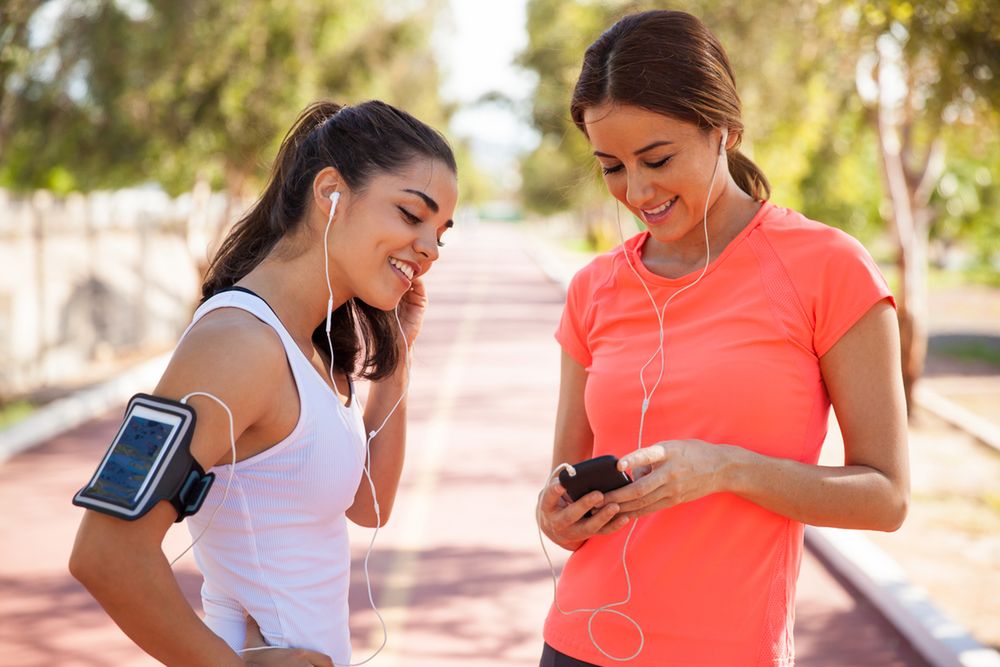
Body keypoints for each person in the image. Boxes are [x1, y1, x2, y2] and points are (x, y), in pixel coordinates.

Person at [535, 10, 908, 667]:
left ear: (725, 130)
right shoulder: (593, 288)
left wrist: (727, 469)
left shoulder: (828, 268)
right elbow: (566, 482)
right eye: (612, 166)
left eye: (657, 158)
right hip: (577, 646)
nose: (638, 190)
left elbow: (886, 497)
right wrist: (556, 514)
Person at [69, 100, 458, 666]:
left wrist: (398, 355)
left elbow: (369, 507)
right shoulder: (236, 344)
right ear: (331, 194)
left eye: (441, 232)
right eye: (411, 215)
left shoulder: (315, 344)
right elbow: (104, 551)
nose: (429, 249)